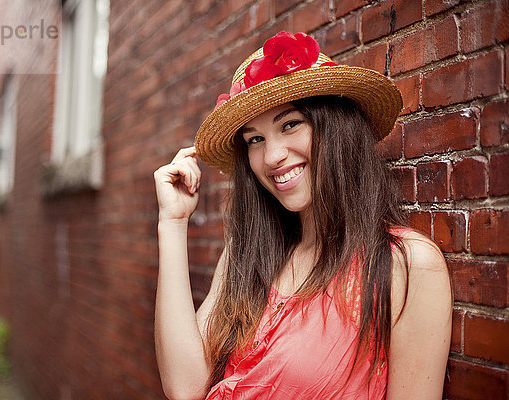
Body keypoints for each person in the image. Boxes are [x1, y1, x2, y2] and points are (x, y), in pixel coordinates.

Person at [154, 31, 451, 400]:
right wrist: (172, 223)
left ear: (335, 127)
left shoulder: (405, 265)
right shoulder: (249, 253)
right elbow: (184, 387)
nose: (272, 156)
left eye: (290, 124)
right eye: (255, 140)